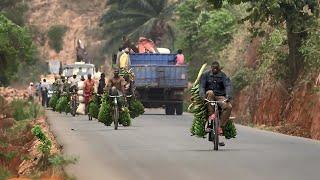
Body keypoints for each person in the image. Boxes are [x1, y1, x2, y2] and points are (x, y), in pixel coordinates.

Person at [199, 61, 233, 146]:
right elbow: (202, 87)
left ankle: (219, 126)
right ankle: (211, 115)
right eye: (213, 68)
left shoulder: (223, 76)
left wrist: (228, 96)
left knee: (228, 107)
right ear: (211, 68)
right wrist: (202, 96)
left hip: (220, 96)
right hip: (210, 96)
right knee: (210, 92)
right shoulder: (205, 75)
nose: (214, 69)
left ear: (219, 68)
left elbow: (228, 86)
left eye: (216, 68)